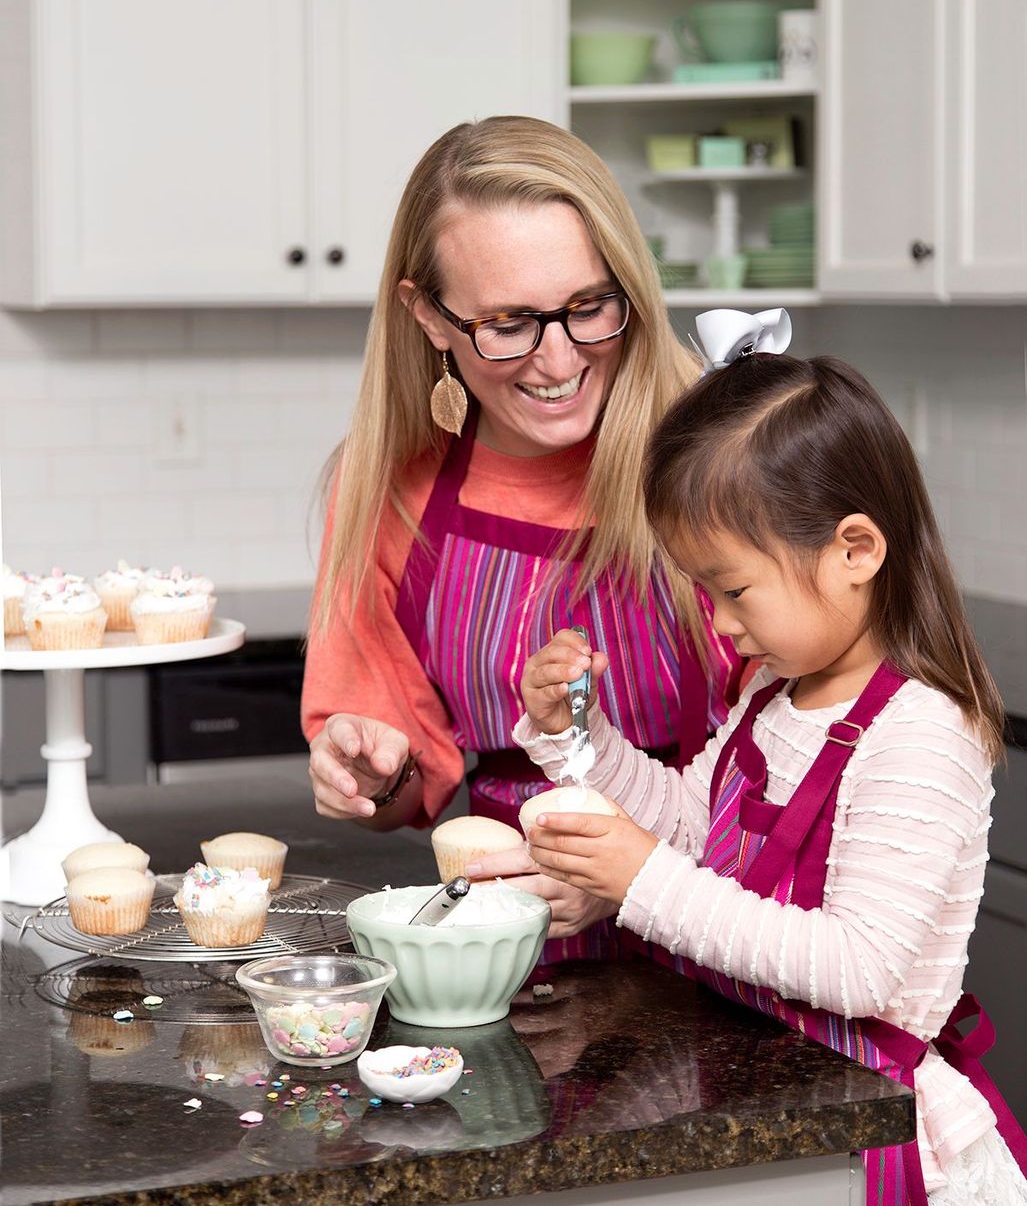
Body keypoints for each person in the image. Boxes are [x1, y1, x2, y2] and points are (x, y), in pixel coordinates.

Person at [515, 312, 1027, 1204]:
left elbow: (860, 967)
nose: (717, 622)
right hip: (768, 1084)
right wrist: (579, 739)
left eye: (733, 588)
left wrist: (642, 884)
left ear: (854, 550)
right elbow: (686, 822)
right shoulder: (772, 694)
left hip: (869, 1120)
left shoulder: (919, 733)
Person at [301, 117, 742, 960]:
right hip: (511, 950)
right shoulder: (390, 484)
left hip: (732, 934)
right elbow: (408, 787)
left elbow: (819, 766)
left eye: (588, 307)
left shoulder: (723, 453)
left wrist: (631, 871)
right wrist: (368, 773)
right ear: (428, 316)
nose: (556, 360)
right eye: (507, 323)